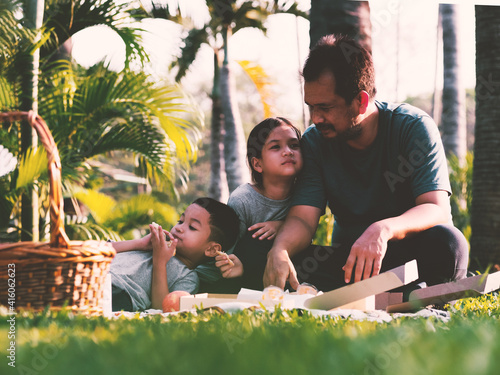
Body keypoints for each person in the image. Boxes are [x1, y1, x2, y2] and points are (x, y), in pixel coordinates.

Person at [263, 34, 469, 293]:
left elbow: (435, 208)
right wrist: (280, 250)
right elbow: (303, 219)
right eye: (311, 107)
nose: (315, 118)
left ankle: (402, 288)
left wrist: (383, 229)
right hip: (349, 264)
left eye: (325, 107)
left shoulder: (413, 127)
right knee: (268, 251)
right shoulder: (314, 142)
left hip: (408, 256)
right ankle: (404, 292)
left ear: (360, 101)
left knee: (450, 244)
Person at [197, 117, 303, 292]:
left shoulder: (306, 193)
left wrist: (283, 226)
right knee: (255, 240)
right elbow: (228, 255)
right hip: (237, 274)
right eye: (276, 147)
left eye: (294, 145)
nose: (288, 151)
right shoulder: (243, 199)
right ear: (257, 164)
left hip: (288, 270)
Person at [110, 197, 239, 311]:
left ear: (211, 249)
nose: (178, 227)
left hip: (120, 292)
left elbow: (161, 308)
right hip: (96, 274)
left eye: (192, 227)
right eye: (180, 221)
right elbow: (99, 250)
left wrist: (159, 261)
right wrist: (140, 244)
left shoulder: (187, 278)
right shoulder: (151, 245)